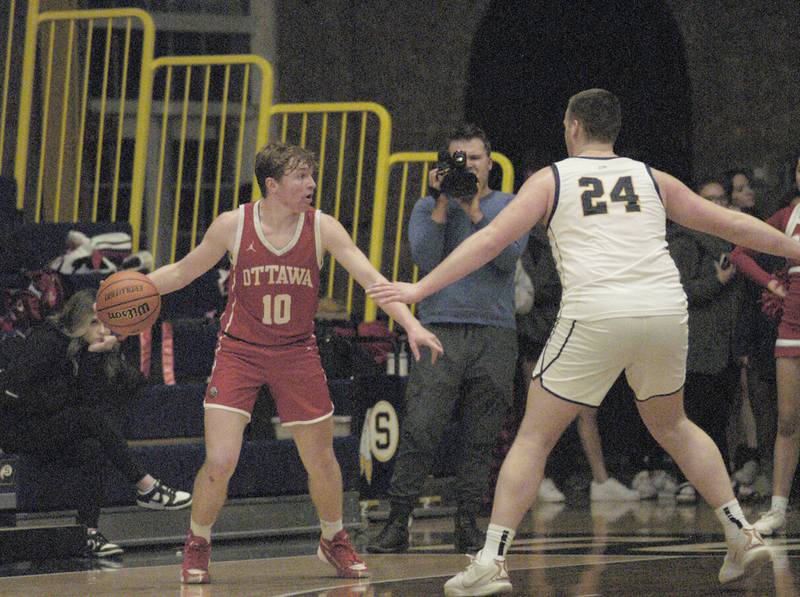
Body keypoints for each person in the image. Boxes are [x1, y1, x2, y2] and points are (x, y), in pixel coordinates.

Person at [367, 89, 800, 595]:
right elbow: (729, 222)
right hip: (663, 309)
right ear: (615, 130)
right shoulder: (651, 177)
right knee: (675, 424)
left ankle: (490, 561)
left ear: (572, 127)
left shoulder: (550, 178)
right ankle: (739, 530)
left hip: (598, 311)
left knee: (534, 436)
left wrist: (419, 288)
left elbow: (488, 242)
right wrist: (793, 246)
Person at [147, 141, 443, 584]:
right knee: (221, 460)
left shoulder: (323, 228)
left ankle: (332, 539)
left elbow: (372, 281)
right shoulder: (234, 224)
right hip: (239, 352)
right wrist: (132, 285)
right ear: (272, 185)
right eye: (300, 177)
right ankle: (197, 543)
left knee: (320, 458)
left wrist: (412, 325)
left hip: (296, 353)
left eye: (311, 175)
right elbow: (183, 271)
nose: (311, 184)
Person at [366, 124, 524, 556]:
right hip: (439, 329)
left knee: (482, 434)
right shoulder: (426, 207)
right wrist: (441, 203)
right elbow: (425, 259)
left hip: (495, 332)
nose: (467, 166)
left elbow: (507, 258)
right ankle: (398, 522)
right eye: (457, 159)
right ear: (441, 166)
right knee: (420, 428)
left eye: (474, 158)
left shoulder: (510, 206)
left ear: (490, 163)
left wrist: (474, 210)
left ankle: (469, 523)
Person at [0, 289, 192, 558]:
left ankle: (89, 532)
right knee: (88, 419)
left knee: (93, 447)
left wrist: (95, 357)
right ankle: (146, 487)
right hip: (17, 427)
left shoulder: (88, 350)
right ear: (76, 321)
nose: (101, 329)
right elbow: (12, 391)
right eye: (94, 322)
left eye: (104, 322)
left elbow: (112, 391)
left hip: (50, 427)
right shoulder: (48, 341)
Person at [729, 150, 800, 536]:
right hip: (792, 328)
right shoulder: (787, 217)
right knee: (786, 421)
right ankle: (777, 509)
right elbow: (740, 252)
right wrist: (773, 283)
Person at [665, 178, 742, 504]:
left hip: (725, 346)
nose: (718, 205)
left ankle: (719, 481)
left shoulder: (733, 240)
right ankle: (690, 479)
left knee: (721, 417)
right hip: (696, 347)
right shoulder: (685, 241)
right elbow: (678, 291)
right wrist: (717, 280)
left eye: (722, 199)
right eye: (710, 199)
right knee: (697, 418)